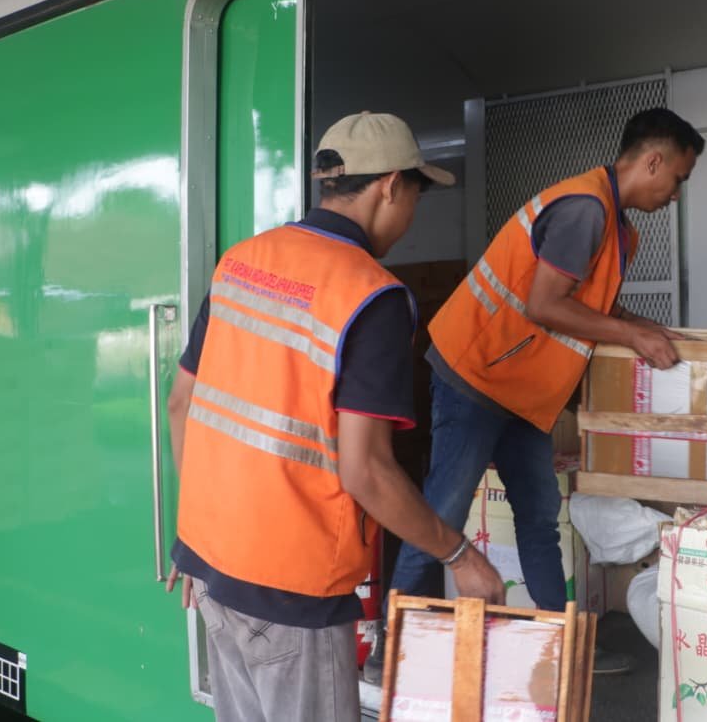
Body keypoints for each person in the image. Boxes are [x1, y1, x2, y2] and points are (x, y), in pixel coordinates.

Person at [165, 112, 505, 722]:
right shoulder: (370, 295)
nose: (411, 214)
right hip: (292, 591)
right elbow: (365, 470)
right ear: (391, 187)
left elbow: (181, 404)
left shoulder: (241, 260)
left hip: (213, 573)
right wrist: (460, 556)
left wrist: (193, 543)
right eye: (416, 197)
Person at [366, 107, 704, 685]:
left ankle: (561, 640)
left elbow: (591, 304)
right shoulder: (585, 209)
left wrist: (642, 325)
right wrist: (630, 337)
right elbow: (544, 304)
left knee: (540, 516)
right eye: (677, 178)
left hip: (523, 390)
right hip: (476, 375)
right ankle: (389, 649)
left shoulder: (620, 229)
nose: (675, 194)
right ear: (653, 161)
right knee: (442, 511)